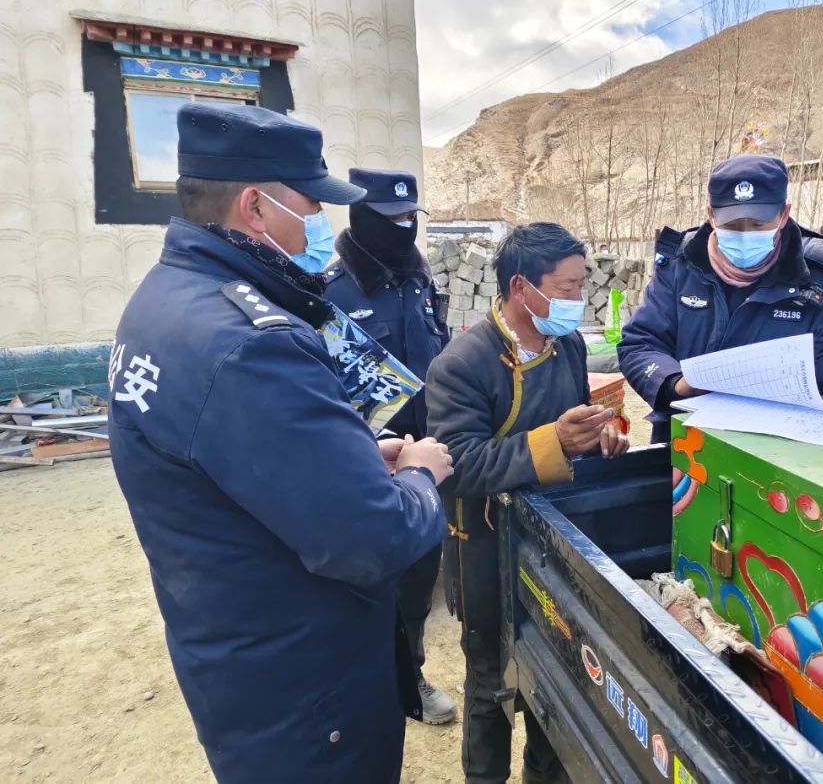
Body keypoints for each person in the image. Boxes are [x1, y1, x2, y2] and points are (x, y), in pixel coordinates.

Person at [107, 103, 454, 783]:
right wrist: (417, 475)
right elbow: (371, 539)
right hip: (307, 690)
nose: (320, 221)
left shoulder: (166, 299)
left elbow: (241, 459)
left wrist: (349, 460)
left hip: (240, 655)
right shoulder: (251, 343)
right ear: (256, 208)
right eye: (311, 204)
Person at [425, 222, 630, 784]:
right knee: (491, 684)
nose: (578, 299)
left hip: (556, 542)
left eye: (581, 285)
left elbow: (579, 423)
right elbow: (459, 464)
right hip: (485, 547)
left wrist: (601, 436)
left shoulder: (568, 345)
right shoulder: (462, 363)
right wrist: (554, 442)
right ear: (521, 287)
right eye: (567, 288)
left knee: (560, 681)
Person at [618, 154, 823, 443]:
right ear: (711, 215)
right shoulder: (682, 265)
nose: (744, 236)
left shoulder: (821, 274)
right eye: (732, 225)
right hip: (686, 443)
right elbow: (640, 342)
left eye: (758, 225)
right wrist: (675, 383)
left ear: (783, 214)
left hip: (781, 449)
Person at [323, 168, 456, 725]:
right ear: (361, 217)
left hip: (425, 458)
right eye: (392, 218)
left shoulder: (418, 282)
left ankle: (410, 676)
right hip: (365, 463)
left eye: (411, 217)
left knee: (420, 577)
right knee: (367, 582)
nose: (405, 227)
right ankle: (365, 686)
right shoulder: (329, 292)